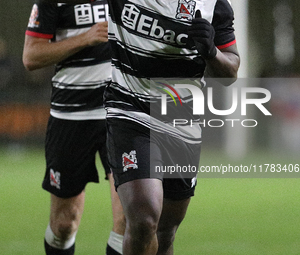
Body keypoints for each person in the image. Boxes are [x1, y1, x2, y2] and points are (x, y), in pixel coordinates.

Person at [103, 0, 240, 254]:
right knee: (144, 219)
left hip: (181, 121)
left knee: (166, 232)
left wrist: (212, 52)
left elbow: (230, 73)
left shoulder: (214, 5)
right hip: (131, 108)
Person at [22, 1, 125, 255]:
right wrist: (84, 38)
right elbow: (31, 56)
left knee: (131, 221)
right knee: (64, 224)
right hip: (71, 116)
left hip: (122, 114)